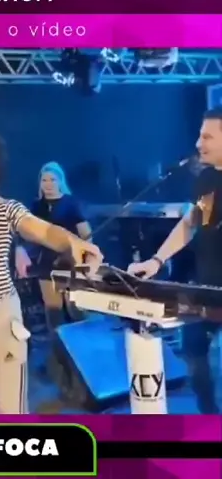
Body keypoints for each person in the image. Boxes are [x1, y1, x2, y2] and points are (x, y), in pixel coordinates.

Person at [0, 125, 103, 413]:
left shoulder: (6, 208)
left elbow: (42, 230)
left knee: (12, 410)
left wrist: (73, 243)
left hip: (3, 317)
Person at [127, 107, 222, 414]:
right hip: (206, 295)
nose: (198, 143)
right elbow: (191, 222)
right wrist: (156, 260)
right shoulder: (207, 178)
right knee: (198, 370)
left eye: (207, 137)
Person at [26, 161, 92, 332]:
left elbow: (86, 234)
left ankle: (82, 343)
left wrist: (86, 260)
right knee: (53, 312)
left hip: (71, 263)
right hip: (45, 263)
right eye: (44, 180)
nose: (48, 184)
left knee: (76, 310)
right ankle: (57, 346)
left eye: (52, 180)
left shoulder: (71, 203)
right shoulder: (36, 206)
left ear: (60, 181)